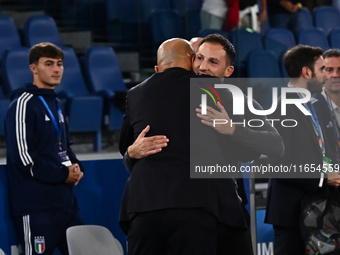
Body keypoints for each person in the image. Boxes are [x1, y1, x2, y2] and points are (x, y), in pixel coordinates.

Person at [119, 38, 260, 255]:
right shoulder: (214, 91)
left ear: (157, 69)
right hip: (199, 206)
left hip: (143, 207)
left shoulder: (135, 94)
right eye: (199, 58)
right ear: (192, 61)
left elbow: (127, 149)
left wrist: (130, 153)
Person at [5, 42, 84, 255]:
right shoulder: (23, 103)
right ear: (33, 68)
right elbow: (23, 159)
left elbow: (63, 145)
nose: (56, 69)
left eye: (59, 64)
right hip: (36, 206)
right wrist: (62, 174)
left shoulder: (57, 103)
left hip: (65, 204)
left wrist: (75, 164)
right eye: (48, 64)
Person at [264, 44, 340, 255]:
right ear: (307, 72)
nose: (327, 76)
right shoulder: (281, 109)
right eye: (323, 69)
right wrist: (322, 176)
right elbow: (277, 164)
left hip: (320, 209)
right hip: (291, 212)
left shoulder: (317, 105)